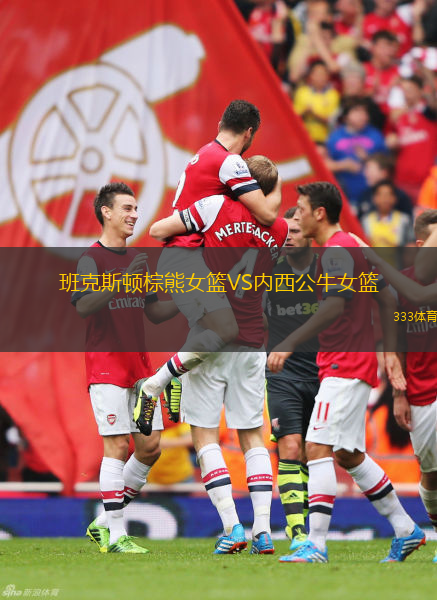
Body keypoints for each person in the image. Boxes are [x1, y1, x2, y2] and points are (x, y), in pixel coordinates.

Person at [267, 181, 424, 563]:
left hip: (345, 364)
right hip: (349, 363)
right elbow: (386, 297)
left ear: (320, 213)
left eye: (302, 209)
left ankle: (315, 545)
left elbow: (335, 305)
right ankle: (407, 530)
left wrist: (289, 342)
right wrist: (388, 352)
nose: (297, 215)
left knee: (316, 448)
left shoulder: (337, 251)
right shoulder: (349, 246)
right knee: (348, 453)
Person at [150, 155, 288, 555]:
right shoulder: (279, 229)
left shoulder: (216, 206)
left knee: (205, 436)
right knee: (253, 438)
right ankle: (264, 530)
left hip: (209, 337)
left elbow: (160, 230)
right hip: (253, 340)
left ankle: (232, 527)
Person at [134, 100, 281, 427]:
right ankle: (156, 383)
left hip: (185, 257)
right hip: (185, 256)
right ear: (249, 133)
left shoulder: (203, 155)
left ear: (220, 124)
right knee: (227, 329)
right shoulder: (230, 161)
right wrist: (278, 183)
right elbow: (267, 214)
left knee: (207, 330)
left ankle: (173, 378)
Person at [72, 182, 179, 554]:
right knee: (117, 446)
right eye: (127, 208)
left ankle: (103, 524)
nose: (135, 214)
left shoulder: (137, 260)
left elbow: (154, 312)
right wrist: (120, 280)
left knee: (150, 448)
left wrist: (188, 299)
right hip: (107, 368)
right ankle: (117, 537)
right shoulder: (91, 259)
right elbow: (83, 306)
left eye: (135, 208)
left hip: (140, 370)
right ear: (106, 212)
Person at [264, 207, 319, 551]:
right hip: (281, 373)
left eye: (295, 231)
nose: (289, 238)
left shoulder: (326, 270)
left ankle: (308, 524)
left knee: (314, 451)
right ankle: (297, 531)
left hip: (323, 371)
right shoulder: (268, 272)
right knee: (290, 446)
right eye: (284, 233)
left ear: (310, 233)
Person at [391, 209, 437, 564]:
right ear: (421, 245)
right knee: (431, 474)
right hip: (420, 391)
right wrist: (399, 394)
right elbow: (397, 343)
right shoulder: (402, 288)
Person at [326, 98, 387, 210]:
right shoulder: (335, 137)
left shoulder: (375, 135)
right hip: (342, 196)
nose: (363, 116)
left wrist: (367, 158)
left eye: (365, 112)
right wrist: (342, 165)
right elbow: (323, 164)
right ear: (346, 116)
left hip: (371, 197)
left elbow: (387, 164)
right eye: (357, 111)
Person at [293, 60, 340, 143]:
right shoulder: (301, 92)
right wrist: (305, 112)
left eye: (323, 74)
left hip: (324, 139)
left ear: (328, 76)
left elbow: (332, 120)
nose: (320, 77)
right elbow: (293, 117)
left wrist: (314, 114)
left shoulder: (334, 95)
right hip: (303, 138)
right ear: (311, 76)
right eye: (317, 74)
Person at [360, 180, 414, 249]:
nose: (385, 199)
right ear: (374, 198)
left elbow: (411, 244)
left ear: (395, 198)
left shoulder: (404, 220)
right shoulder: (366, 220)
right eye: (381, 195)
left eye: (388, 195)